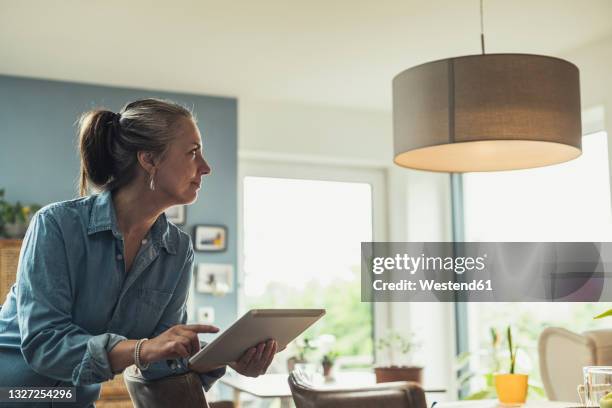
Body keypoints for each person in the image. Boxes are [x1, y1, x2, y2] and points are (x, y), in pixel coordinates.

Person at [0, 98, 277, 407]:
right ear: (149, 160)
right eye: (193, 152)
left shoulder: (178, 250)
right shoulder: (56, 226)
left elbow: (161, 360)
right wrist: (142, 349)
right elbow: (45, 344)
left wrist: (224, 358)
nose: (206, 167)